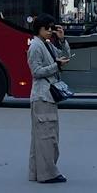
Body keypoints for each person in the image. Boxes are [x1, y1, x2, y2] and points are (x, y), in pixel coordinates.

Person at [27, 14, 70, 182]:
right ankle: (48, 174)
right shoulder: (36, 46)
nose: (51, 31)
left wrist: (62, 40)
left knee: (41, 137)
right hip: (42, 95)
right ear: (40, 29)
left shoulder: (47, 44)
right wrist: (56, 66)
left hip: (46, 96)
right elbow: (36, 72)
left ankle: (36, 173)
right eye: (48, 28)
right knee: (47, 137)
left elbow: (64, 56)